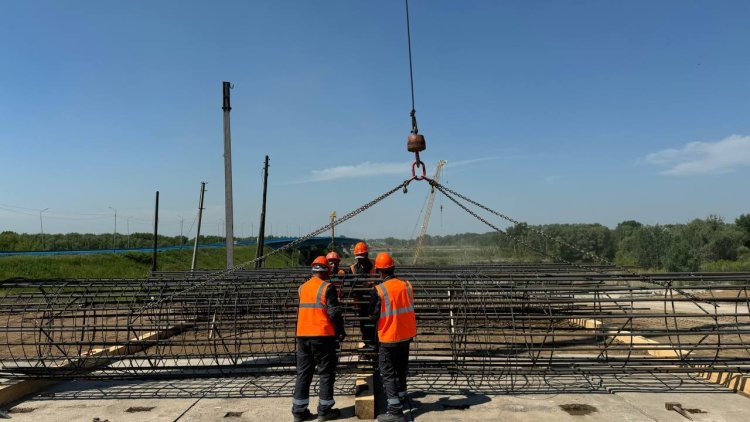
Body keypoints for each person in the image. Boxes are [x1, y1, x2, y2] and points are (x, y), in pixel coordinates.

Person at [292, 256, 346, 422]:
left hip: (302, 336)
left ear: (313, 270)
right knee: (326, 373)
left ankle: (299, 412)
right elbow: (333, 313)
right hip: (322, 336)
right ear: (326, 272)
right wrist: (340, 331)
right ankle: (324, 410)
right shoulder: (327, 288)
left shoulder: (302, 288)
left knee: (303, 373)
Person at [369, 252, 416, 422]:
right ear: (393, 268)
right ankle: (402, 396)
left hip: (389, 338)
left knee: (387, 373)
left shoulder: (379, 290)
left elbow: (373, 315)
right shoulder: (406, 285)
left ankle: (395, 411)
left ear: (380, 271)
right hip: (406, 336)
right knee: (401, 368)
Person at [348, 242, 378, 351]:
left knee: (374, 325)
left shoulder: (375, 265)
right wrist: (362, 286)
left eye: (362, 257)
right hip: (361, 303)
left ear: (367, 255)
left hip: (375, 303)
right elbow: (351, 286)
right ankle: (368, 344)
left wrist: (369, 284)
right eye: (358, 257)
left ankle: (374, 346)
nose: (360, 259)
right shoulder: (352, 268)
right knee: (364, 325)